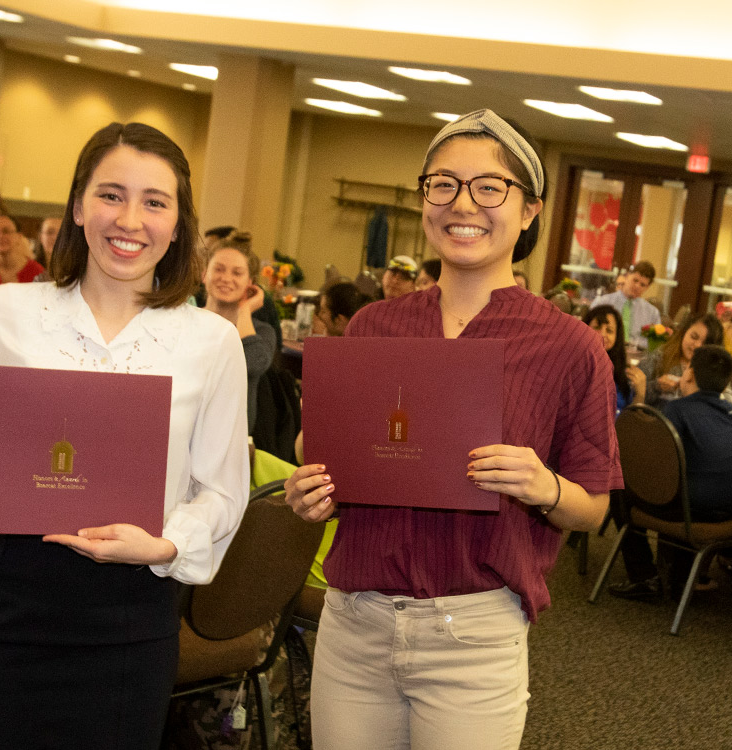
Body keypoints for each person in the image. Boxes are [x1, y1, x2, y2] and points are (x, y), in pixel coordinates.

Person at [283, 109, 620, 749]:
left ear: (529, 211)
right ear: (425, 199)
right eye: (444, 184)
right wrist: (312, 485)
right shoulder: (373, 328)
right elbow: (324, 454)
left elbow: (593, 508)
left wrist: (543, 485)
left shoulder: (568, 346)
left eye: (490, 187)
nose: (464, 203)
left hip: (475, 636)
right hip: (355, 622)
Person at [0, 122, 248, 749]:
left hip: (129, 615)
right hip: (5, 601)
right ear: (78, 206)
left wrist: (162, 547)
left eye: (155, 202)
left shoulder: (210, 341)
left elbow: (222, 490)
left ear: (179, 224)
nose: (130, 219)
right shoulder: (5, 311)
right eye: (111, 194)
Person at [610, 345, 732, 599]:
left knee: (620, 486)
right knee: (688, 484)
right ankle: (680, 579)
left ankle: (644, 577)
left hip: (689, 508)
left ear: (689, 375)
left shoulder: (677, 410)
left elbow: (654, 464)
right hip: (729, 507)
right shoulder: (731, 411)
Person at [200, 230, 278, 431]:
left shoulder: (262, 332)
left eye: (237, 273)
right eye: (218, 269)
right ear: (204, 274)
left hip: (231, 438)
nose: (226, 278)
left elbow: (254, 362)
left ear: (250, 283)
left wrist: (244, 311)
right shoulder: (183, 321)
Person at [642, 313, 726, 407]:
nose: (697, 345)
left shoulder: (717, 369)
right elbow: (632, 393)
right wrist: (656, 386)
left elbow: (727, 401)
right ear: (684, 333)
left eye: (706, 343)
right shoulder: (659, 357)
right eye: (694, 337)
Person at [586, 304, 646, 410]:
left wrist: (640, 394)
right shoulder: (574, 364)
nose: (602, 334)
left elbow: (631, 419)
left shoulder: (621, 372)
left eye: (609, 331)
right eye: (597, 327)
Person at [592, 260, 661, 351]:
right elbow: (589, 333)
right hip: (606, 352)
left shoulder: (652, 313)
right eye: (635, 280)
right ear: (627, 276)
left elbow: (655, 346)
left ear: (647, 287)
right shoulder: (602, 303)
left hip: (637, 358)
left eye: (642, 285)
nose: (637, 286)